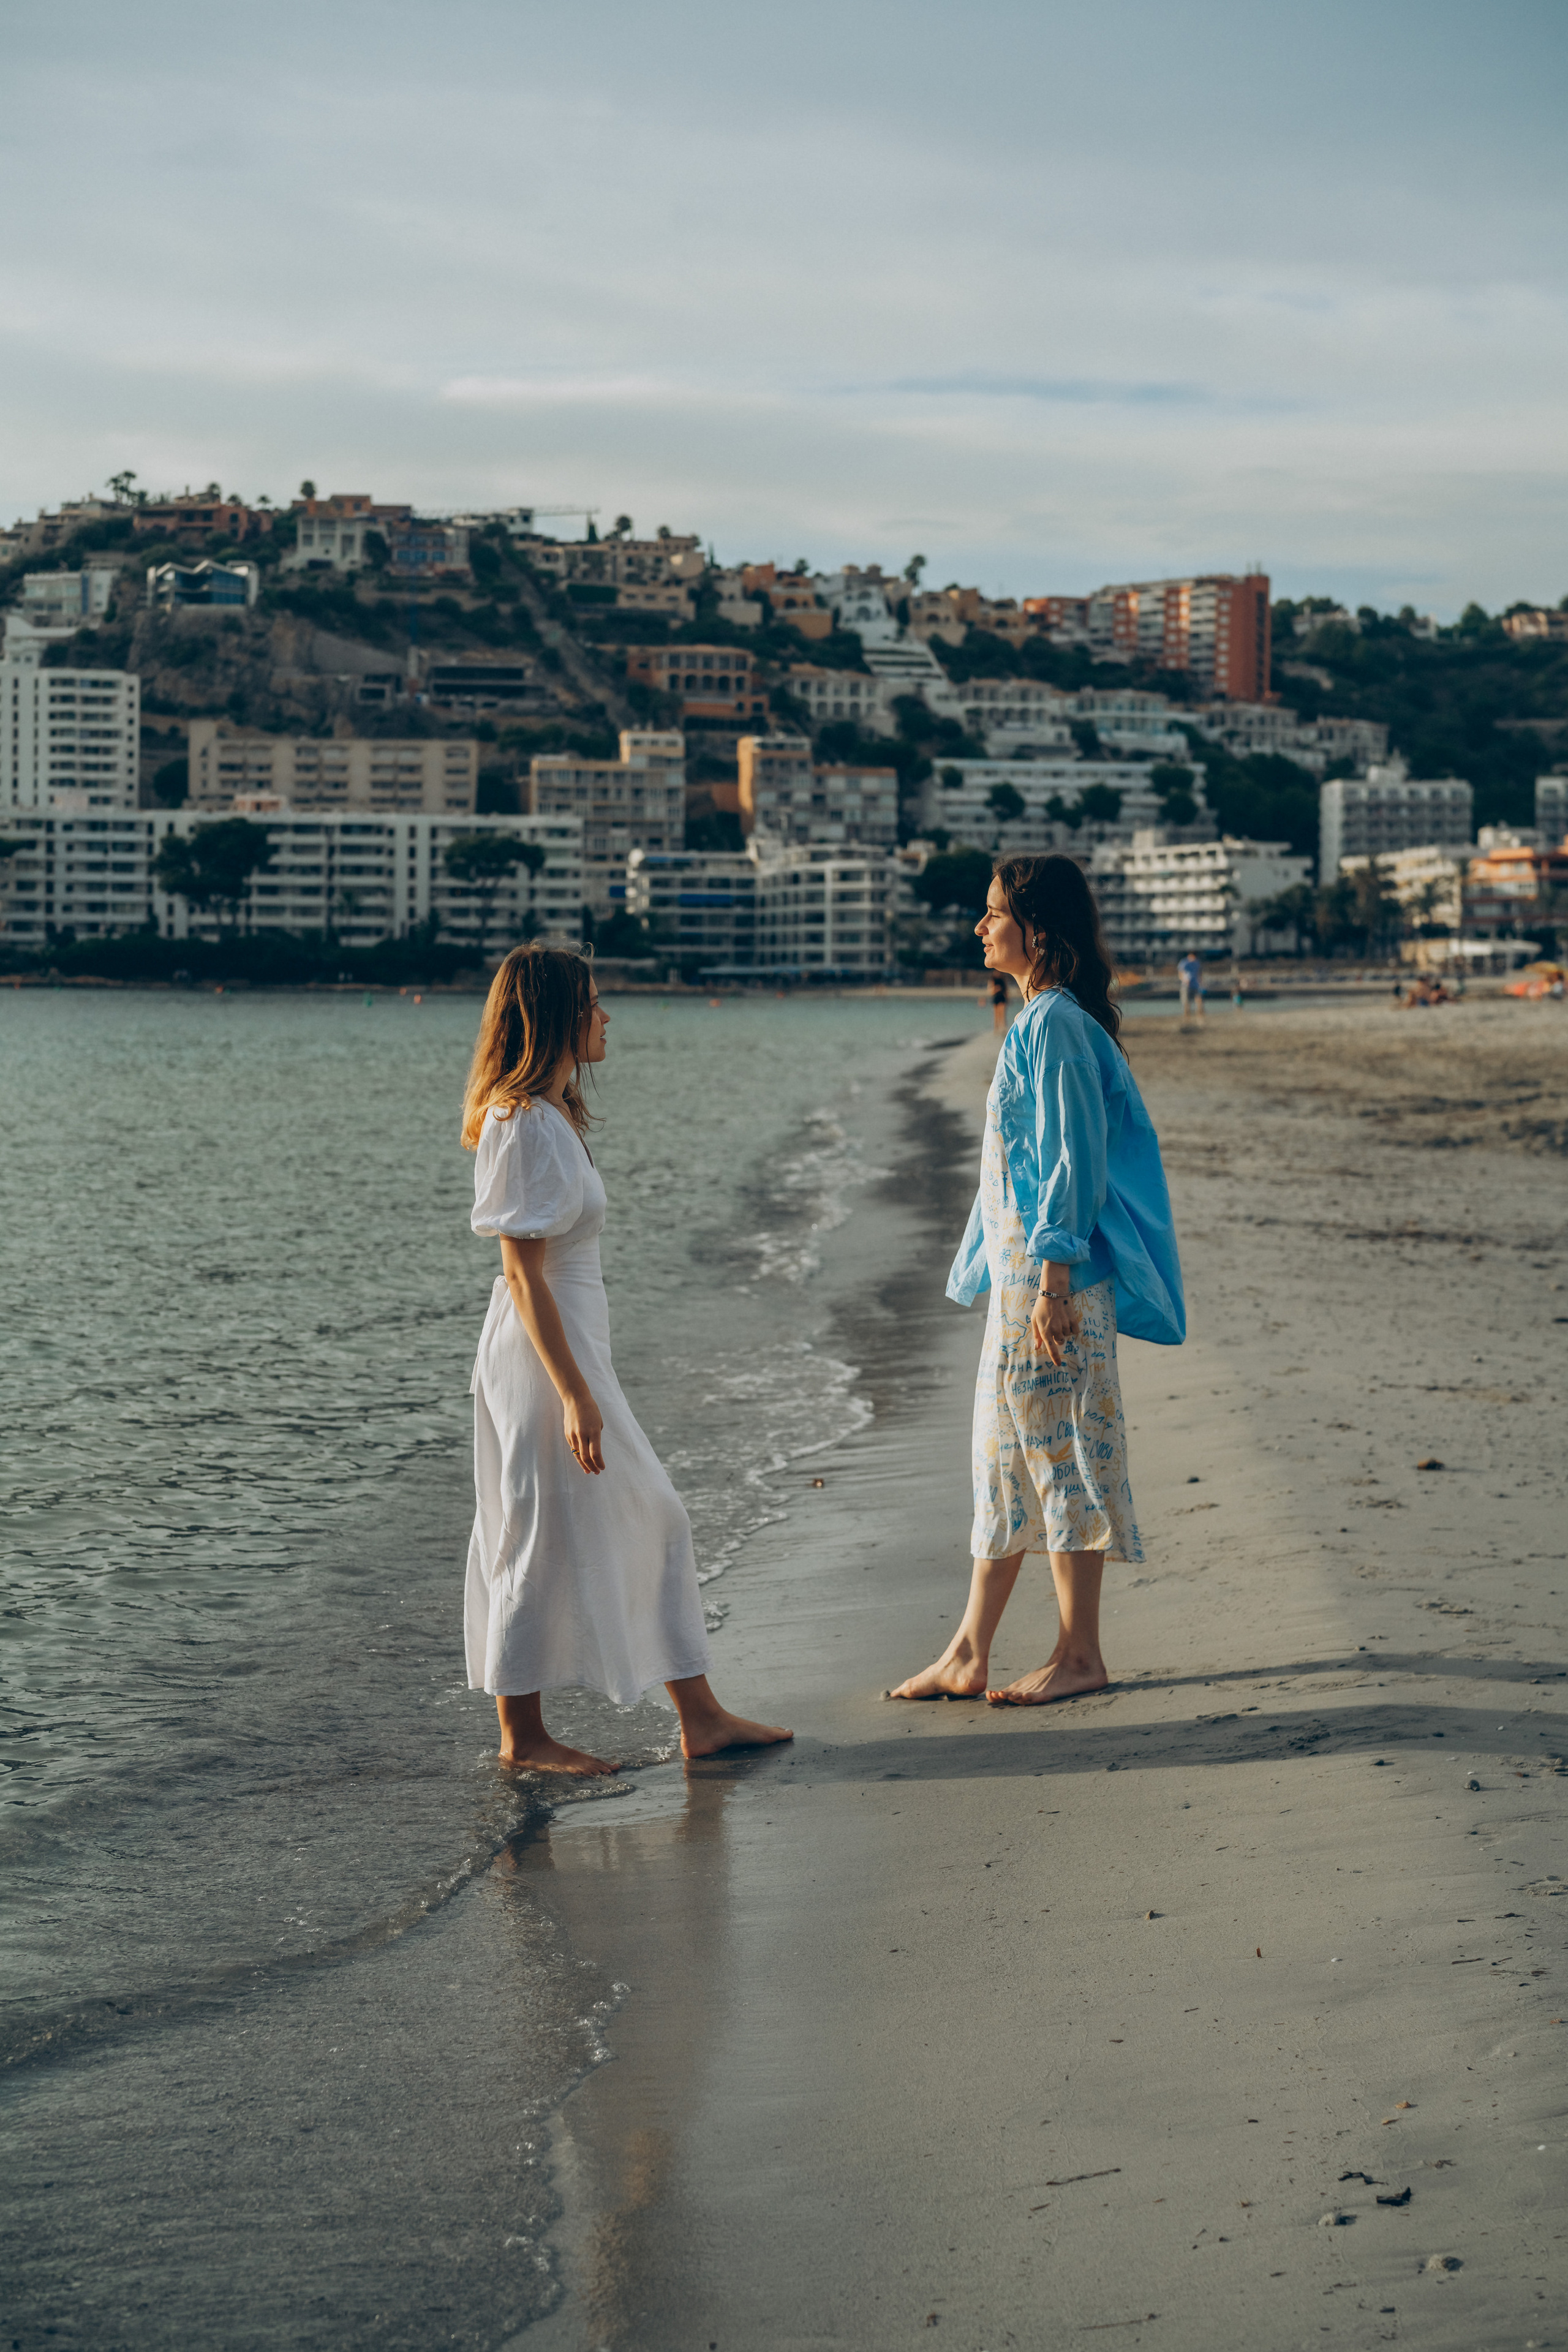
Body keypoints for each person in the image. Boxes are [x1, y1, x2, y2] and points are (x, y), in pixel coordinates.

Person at [461, 946, 793, 1774]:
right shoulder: (520, 1121)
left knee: (649, 1517)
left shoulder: (551, 1115)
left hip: (570, 1352)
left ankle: (700, 1716)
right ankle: (523, 1739)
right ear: (558, 1017)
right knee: (534, 1535)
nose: (608, 1017)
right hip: (542, 1363)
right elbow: (520, 1272)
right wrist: (573, 1392)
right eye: (596, 1003)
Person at [890, 855, 1184, 1708]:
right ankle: (968, 1650)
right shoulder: (1039, 1020)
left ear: (1039, 931)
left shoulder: (1053, 1024)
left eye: (992, 915)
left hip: (1053, 1283)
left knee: (1063, 1454)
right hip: (1026, 1282)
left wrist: (1054, 1278)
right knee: (1003, 1456)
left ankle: (1080, 1653)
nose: (979, 928)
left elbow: (1073, 1160)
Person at [1177, 949, 1204, 1024]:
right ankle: (1187, 1020)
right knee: (1186, 1003)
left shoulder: (1197, 962)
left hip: (1196, 985)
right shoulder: (1184, 963)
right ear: (1190, 956)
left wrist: (1201, 982)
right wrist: (1185, 980)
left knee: (1199, 1002)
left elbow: (1199, 973)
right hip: (1186, 986)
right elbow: (1180, 974)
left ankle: (1200, 1019)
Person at [981, 970, 1011, 1035]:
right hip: (996, 997)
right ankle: (996, 1030)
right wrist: (996, 989)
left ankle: (1003, 1029)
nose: (998, 973)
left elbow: (1006, 991)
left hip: (1002, 997)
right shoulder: (992, 980)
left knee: (1003, 1015)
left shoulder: (1003, 980)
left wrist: (1008, 999)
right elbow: (990, 991)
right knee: (996, 1015)